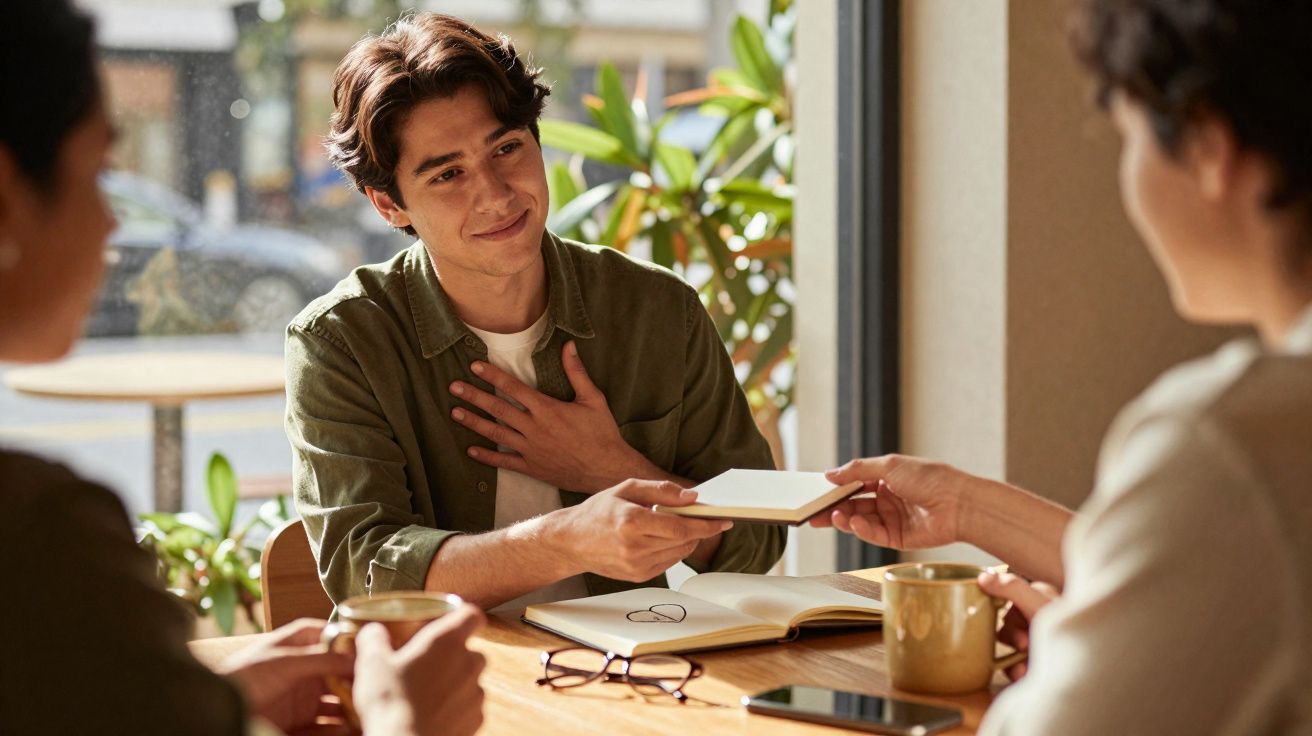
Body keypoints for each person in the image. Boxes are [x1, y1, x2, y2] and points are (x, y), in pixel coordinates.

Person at [815, 0, 1312, 733]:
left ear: (1207, 146)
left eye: (1128, 135)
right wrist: (968, 507)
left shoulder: (1228, 443)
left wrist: (1065, 666)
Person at [0, 2, 485, 734]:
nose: (112, 222)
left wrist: (201, 699)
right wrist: (402, 721)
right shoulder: (38, 542)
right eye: (100, 171)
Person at [287, 12, 785, 610]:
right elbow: (366, 570)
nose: (496, 194)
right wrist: (565, 542)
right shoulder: (342, 341)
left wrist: (611, 465)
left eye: (507, 147)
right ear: (390, 204)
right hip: (446, 681)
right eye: (448, 174)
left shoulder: (658, 310)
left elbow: (758, 539)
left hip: (629, 676)